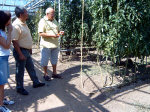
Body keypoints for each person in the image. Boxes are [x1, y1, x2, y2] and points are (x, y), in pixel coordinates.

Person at [11, 6, 45, 95]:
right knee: (20, 71)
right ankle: (19, 88)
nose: (28, 14)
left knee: (31, 67)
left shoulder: (23, 23)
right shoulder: (16, 25)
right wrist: (20, 54)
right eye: (26, 12)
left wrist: (29, 48)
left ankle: (36, 82)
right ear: (21, 14)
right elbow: (14, 41)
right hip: (21, 51)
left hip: (26, 50)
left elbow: (25, 37)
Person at [38, 7, 64, 81]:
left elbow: (57, 30)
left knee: (54, 60)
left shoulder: (55, 20)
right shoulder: (43, 21)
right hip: (46, 45)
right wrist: (53, 35)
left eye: (54, 13)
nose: (53, 15)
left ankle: (54, 73)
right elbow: (41, 33)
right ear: (47, 14)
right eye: (52, 14)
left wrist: (60, 32)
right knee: (45, 60)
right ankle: (45, 74)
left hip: (55, 45)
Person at [0, 10, 12, 112]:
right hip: (1, 58)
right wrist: (10, 31)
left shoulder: (2, 30)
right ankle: (1, 106)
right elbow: (7, 45)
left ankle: (2, 100)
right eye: (9, 18)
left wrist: (8, 31)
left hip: (4, 57)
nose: (11, 20)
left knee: (3, 81)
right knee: (1, 83)